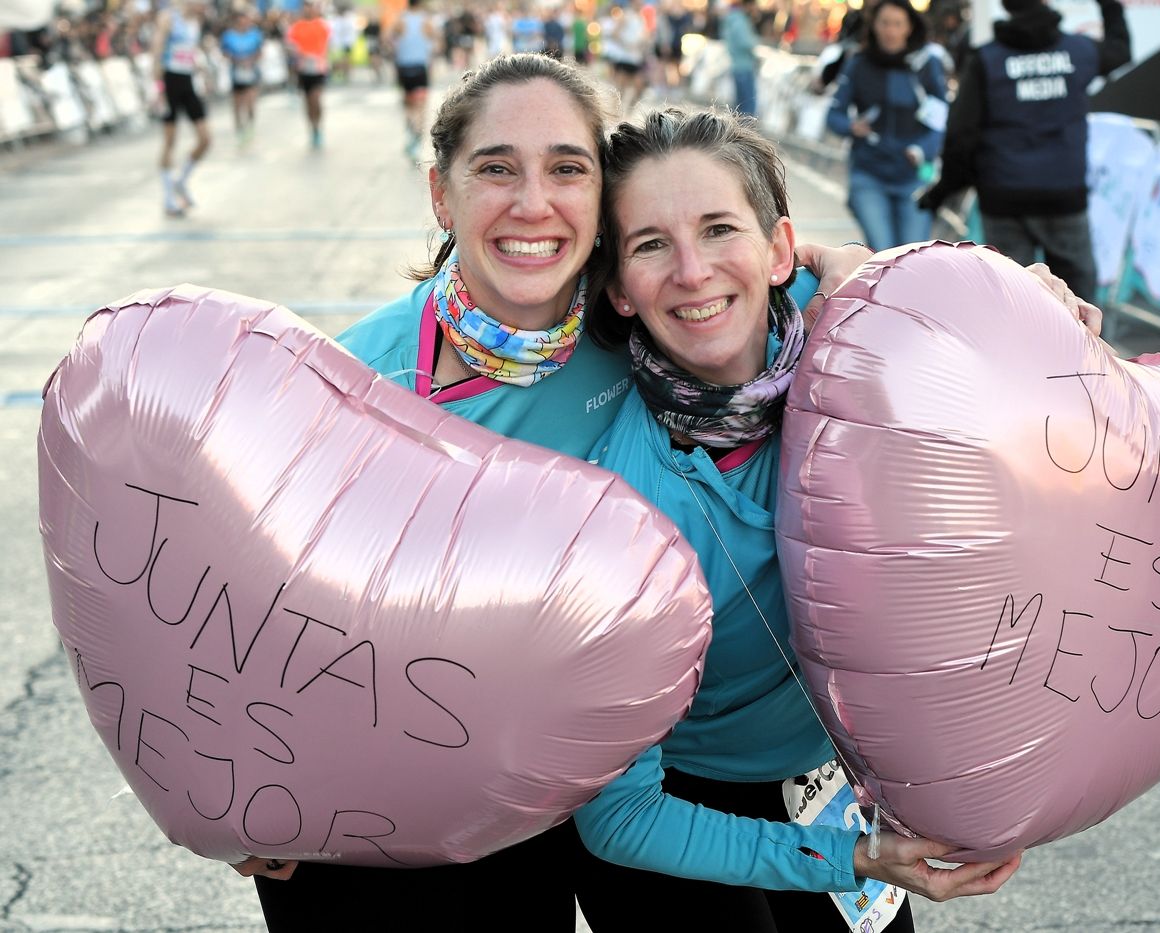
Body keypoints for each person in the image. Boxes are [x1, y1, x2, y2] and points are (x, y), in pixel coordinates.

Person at [227, 53, 873, 928]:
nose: (533, 202)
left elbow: (756, 261)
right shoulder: (346, 385)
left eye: (567, 168)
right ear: (440, 194)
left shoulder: (640, 322)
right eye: (496, 167)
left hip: (533, 807)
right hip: (356, 807)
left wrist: (868, 269)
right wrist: (224, 778)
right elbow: (217, 594)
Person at [569, 106, 1108, 932]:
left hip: (830, 777)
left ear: (781, 249)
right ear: (619, 289)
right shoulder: (617, 506)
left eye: (720, 229)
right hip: (682, 809)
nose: (691, 270)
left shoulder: (871, 342)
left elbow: (952, 310)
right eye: (650, 244)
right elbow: (620, 819)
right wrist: (851, 858)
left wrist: (1034, 315)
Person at [917, 0, 1130, 301]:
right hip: (1063, 196)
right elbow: (1120, 51)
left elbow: (961, 136)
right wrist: (1109, 5)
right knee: (1080, 307)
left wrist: (943, 190)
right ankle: (1084, 349)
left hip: (1003, 197)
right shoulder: (1078, 51)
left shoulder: (987, 59)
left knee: (1015, 304)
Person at [826, 0, 947, 253]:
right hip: (869, 174)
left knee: (915, 257)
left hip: (913, 179)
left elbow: (940, 121)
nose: (890, 31)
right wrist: (851, 126)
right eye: (884, 23)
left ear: (909, 27)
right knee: (884, 255)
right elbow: (833, 115)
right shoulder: (858, 63)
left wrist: (921, 150)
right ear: (874, 26)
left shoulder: (926, 64)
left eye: (897, 24)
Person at [151, 0, 211, 217]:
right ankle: (168, 200)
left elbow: (190, 50)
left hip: (188, 82)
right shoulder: (168, 18)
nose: (204, 5)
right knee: (170, 141)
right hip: (169, 82)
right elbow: (156, 53)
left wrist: (201, 71)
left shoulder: (197, 21)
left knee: (205, 139)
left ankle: (181, 181)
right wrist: (157, 88)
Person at [390, 0, 437, 160]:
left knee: (409, 105)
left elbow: (388, 40)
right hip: (420, 67)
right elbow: (437, 43)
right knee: (421, 105)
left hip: (404, 67)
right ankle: (417, 138)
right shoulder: (426, 21)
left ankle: (412, 133)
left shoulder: (400, 20)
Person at [285, 0, 332, 149]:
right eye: (306, 7)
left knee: (316, 99)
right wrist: (298, 53)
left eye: (311, 7)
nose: (308, 10)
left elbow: (328, 44)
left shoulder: (322, 25)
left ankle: (318, 126)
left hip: (318, 69)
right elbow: (289, 45)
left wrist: (321, 57)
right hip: (303, 69)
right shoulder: (296, 27)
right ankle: (312, 128)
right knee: (307, 101)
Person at [219, 6, 263, 150]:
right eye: (241, 21)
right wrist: (235, 59)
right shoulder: (228, 36)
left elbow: (260, 52)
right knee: (237, 105)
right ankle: (239, 131)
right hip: (236, 74)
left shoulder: (255, 34)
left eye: (246, 21)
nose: (244, 23)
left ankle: (250, 126)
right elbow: (224, 53)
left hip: (251, 73)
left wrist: (251, 60)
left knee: (250, 103)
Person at [721, 0, 759, 117]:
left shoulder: (730, 19)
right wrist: (755, 43)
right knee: (747, 105)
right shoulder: (740, 21)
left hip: (736, 63)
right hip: (744, 64)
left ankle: (738, 132)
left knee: (740, 104)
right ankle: (746, 133)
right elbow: (745, 42)